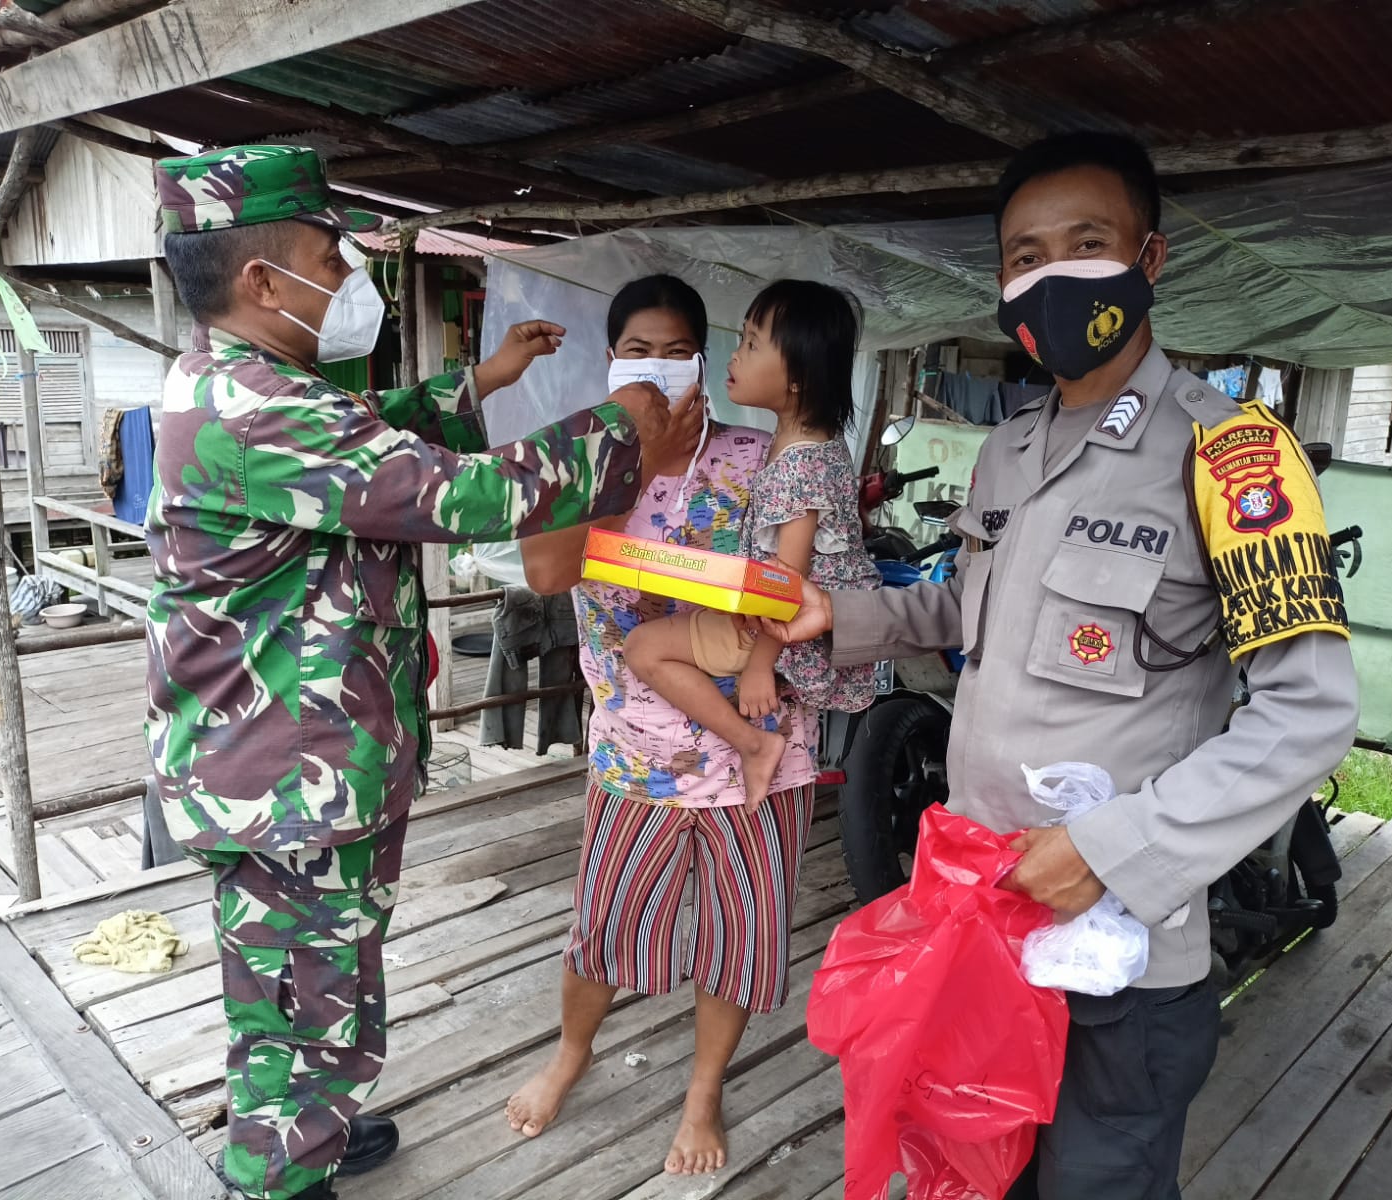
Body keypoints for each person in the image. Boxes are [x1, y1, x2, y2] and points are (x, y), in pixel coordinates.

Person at [761, 132, 1360, 1200]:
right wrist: (835, 615)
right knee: (972, 1174)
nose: (1052, 275)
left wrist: (1112, 845)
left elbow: (1305, 715)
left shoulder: (1234, 457)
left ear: (1150, 260)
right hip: (981, 920)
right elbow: (969, 607)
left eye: (1087, 243)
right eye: (1024, 255)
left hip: (1116, 958)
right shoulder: (1007, 448)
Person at [144, 146, 699, 1200]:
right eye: (326, 255)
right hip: (289, 784)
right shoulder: (258, 407)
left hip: (287, 770)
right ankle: (280, 1171)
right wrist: (623, 429)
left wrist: (477, 384)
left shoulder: (246, 385)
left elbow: (372, 439)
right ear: (262, 280)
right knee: (312, 996)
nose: (345, 274)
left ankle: (304, 1119)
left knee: (299, 983)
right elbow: (469, 499)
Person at [507, 275, 821, 1176]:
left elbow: (796, 588)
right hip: (633, 754)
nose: (656, 364)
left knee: (735, 934)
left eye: (675, 347)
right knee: (604, 926)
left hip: (754, 751)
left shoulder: (761, 457)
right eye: (636, 349)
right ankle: (571, 1052)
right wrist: (634, 459)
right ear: (609, 361)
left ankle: (703, 1090)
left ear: (705, 360)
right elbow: (544, 573)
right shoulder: (575, 458)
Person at [623, 280, 879, 809]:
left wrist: (761, 663)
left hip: (779, 631)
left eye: (752, 344)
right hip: (773, 619)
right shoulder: (806, 442)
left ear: (798, 378)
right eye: (740, 339)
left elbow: (787, 585)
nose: (735, 355)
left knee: (642, 648)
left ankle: (754, 744)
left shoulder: (799, 463)